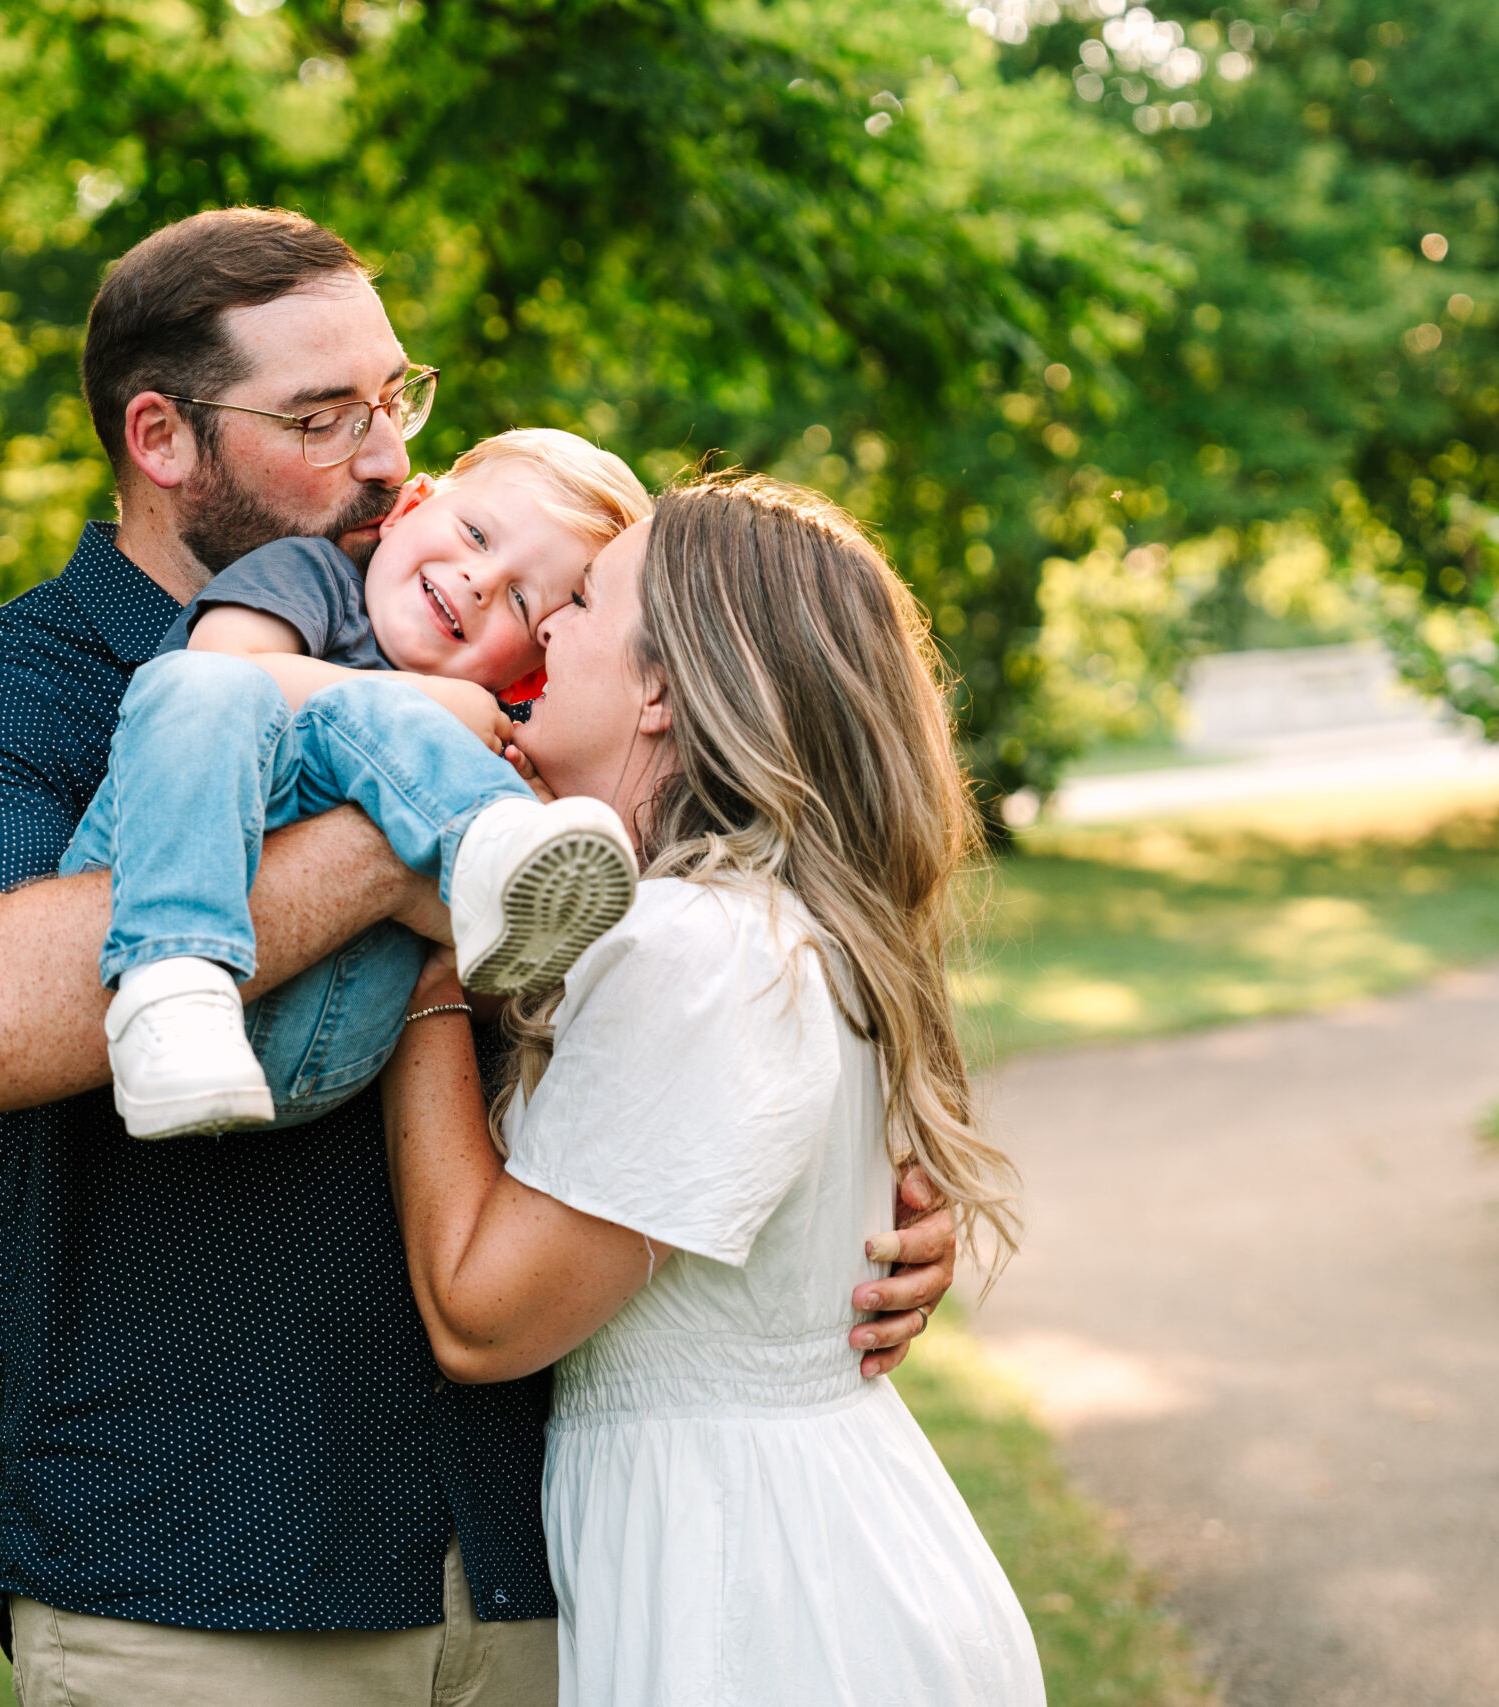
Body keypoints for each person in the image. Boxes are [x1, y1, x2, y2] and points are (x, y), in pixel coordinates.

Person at [0, 206, 960, 1707]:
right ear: (161, 438)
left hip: (543, 1564)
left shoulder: (497, 650)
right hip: (208, 1587)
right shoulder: (6, 694)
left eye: (396, 398)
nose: (384, 458)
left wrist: (832, 1204)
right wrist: (409, 833)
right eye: (323, 418)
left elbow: (737, 922)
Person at [383, 474, 1042, 1704]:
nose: (541, 629)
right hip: (805, 1543)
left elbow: (483, 1316)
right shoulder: (762, 928)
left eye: (578, 600)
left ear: (663, 690)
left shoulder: (698, 953)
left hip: (755, 1595)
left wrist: (425, 961)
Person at [60, 430, 651, 1139]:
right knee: (279, 700)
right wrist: (423, 702)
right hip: (152, 899)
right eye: (475, 534)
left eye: (522, 601)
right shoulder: (315, 577)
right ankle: (175, 998)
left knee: (467, 808)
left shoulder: (490, 735)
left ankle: (498, 865)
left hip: (331, 1033)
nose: (480, 580)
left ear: (527, 674)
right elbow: (219, 667)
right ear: (410, 507)